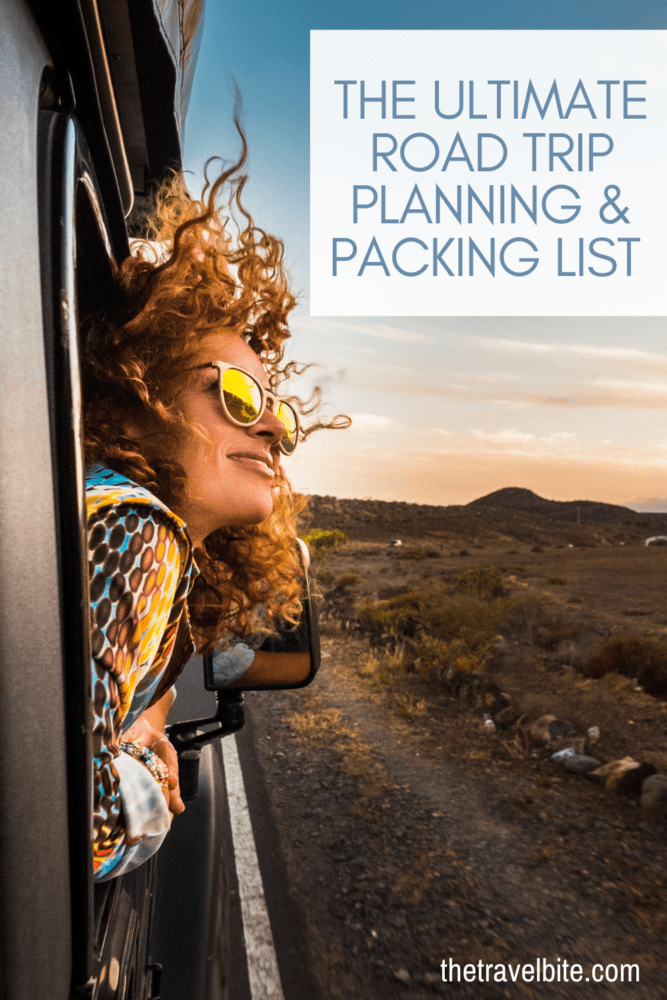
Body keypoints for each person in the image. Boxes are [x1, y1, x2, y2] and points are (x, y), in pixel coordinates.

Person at [83, 138, 341, 881]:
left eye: (278, 414)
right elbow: (79, 823)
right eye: (236, 396)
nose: (271, 429)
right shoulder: (138, 527)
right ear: (135, 396)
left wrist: (138, 722)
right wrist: (146, 774)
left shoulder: (109, 521)